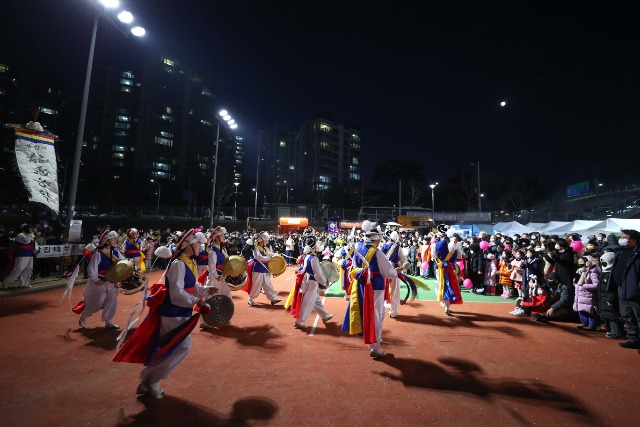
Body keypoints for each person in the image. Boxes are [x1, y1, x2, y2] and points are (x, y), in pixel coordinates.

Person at [113, 229, 216, 399]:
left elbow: (192, 286)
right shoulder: (178, 264)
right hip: (172, 311)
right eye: (198, 244)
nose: (200, 247)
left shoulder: (188, 263)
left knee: (174, 347)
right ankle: (150, 380)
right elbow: (176, 294)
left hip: (181, 311)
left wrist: (204, 290)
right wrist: (196, 301)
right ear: (188, 245)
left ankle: (148, 380)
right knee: (181, 346)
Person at [344, 226, 400, 359]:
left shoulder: (358, 248)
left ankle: (376, 340)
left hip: (362, 286)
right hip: (374, 288)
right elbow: (388, 272)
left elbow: (355, 266)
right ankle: (374, 346)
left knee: (372, 313)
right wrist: (396, 271)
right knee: (376, 315)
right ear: (376, 240)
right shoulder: (377, 252)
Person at [78, 229, 124, 329]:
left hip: (112, 281)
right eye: (113, 239)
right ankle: (84, 316)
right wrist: (95, 280)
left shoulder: (116, 252)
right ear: (107, 241)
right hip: (101, 281)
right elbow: (91, 268)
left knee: (112, 301)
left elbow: (123, 262)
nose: (115, 241)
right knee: (96, 302)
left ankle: (109, 321)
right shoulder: (99, 253)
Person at [293, 235, 333, 329]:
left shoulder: (306, 256)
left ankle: (324, 315)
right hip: (312, 282)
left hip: (307, 280)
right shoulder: (314, 258)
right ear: (313, 247)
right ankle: (299, 321)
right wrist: (324, 282)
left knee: (315, 300)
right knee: (308, 302)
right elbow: (317, 273)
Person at [609, 229, 640, 350]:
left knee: (638, 315)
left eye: (624, 237)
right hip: (621, 288)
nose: (621, 239)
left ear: (633, 240)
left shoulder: (638, 253)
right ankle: (633, 339)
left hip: (635, 290)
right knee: (627, 315)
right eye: (621, 237)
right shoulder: (620, 252)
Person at [242, 232, 282, 307]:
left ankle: (272, 298)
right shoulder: (256, 248)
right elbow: (259, 258)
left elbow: (271, 254)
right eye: (265, 240)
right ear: (261, 241)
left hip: (265, 268)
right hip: (258, 268)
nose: (267, 241)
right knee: (256, 285)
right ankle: (250, 299)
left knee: (268, 284)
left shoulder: (266, 248)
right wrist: (268, 258)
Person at [431, 226, 464, 315]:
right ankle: (447, 305)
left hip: (440, 267)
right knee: (450, 285)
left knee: (440, 285)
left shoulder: (435, 245)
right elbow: (459, 256)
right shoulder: (456, 244)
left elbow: (433, 257)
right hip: (451, 267)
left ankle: (444, 302)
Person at [381, 230, 408, 318]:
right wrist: (404, 269)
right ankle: (393, 311)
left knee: (385, 290)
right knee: (395, 292)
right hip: (394, 272)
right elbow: (404, 261)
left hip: (384, 272)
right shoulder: (398, 248)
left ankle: (387, 305)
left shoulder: (383, 247)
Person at [598, 251, 624, 338]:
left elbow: (613, 288)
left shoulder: (613, 274)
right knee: (607, 315)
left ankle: (617, 332)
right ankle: (610, 330)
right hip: (603, 297)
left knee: (613, 316)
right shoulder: (604, 273)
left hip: (610, 298)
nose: (603, 264)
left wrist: (610, 299)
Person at [1, 224, 36, 289]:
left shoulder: (32, 235)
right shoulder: (20, 235)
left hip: (30, 254)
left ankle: (23, 283)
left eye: (32, 228)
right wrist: (32, 233)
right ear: (26, 228)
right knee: (18, 269)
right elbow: (26, 241)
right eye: (30, 228)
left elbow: (34, 243)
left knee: (29, 269)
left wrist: (36, 249)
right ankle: (5, 282)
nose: (31, 229)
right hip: (22, 254)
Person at [573, 255, 601, 331]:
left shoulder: (593, 272)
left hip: (588, 296)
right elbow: (577, 282)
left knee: (590, 311)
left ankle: (592, 325)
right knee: (582, 310)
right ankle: (585, 323)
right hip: (580, 295)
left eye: (582, 263)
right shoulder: (580, 270)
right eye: (579, 263)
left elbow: (596, 285)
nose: (581, 265)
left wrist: (584, 286)